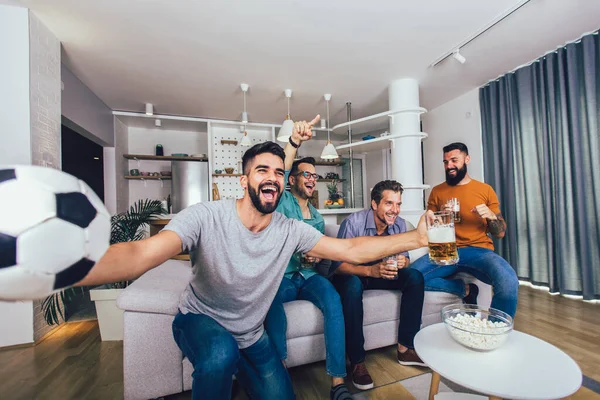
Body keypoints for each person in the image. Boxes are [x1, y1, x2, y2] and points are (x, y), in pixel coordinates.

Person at [75, 122, 432, 400]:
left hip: (251, 334)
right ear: (244, 180)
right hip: (199, 321)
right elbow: (141, 253)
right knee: (219, 352)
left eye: (278, 172)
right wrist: (70, 266)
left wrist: (416, 238)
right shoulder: (205, 216)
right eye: (262, 171)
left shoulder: (289, 229)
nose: (272, 178)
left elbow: (352, 250)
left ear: (283, 184)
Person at [264, 120, 350, 399]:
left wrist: (316, 257)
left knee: (334, 299)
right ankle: (278, 376)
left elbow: (320, 257)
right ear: (292, 180)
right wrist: (294, 141)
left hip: (309, 277)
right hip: (283, 277)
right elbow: (282, 168)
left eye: (315, 176)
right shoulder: (282, 202)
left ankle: (338, 383)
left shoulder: (318, 217)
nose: (312, 179)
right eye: (306, 175)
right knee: (270, 302)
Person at [331, 180, 427, 391]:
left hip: (382, 272)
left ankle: (405, 348)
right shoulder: (353, 223)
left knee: (415, 277)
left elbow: (405, 258)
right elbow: (338, 267)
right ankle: (357, 361)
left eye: (398, 204)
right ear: (374, 204)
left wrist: (404, 262)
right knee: (352, 287)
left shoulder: (400, 224)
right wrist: (369, 270)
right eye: (389, 203)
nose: (395, 210)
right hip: (354, 273)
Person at [411, 142, 519, 318]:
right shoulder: (437, 191)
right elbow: (429, 227)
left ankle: (494, 331)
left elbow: (500, 233)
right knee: (409, 277)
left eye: (454, 160)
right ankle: (465, 289)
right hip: (445, 250)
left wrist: (492, 216)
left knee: (508, 281)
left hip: (479, 251)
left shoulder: (485, 190)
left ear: (467, 159)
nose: (449, 166)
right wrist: (430, 219)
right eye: (445, 162)